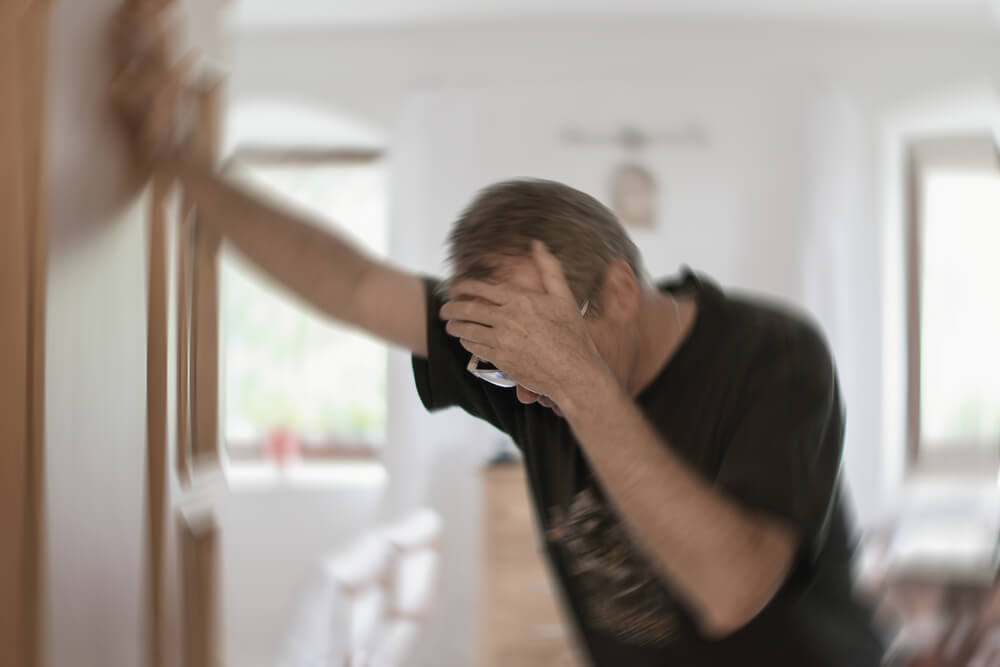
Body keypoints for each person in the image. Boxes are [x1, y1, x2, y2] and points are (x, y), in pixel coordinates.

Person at [111, 11, 887, 666]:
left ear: (621, 291)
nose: (522, 383)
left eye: (542, 342)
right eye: (501, 352)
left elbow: (731, 589)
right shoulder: (510, 351)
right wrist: (174, 158)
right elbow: (348, 282)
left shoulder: (774, 355)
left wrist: (576, 380)